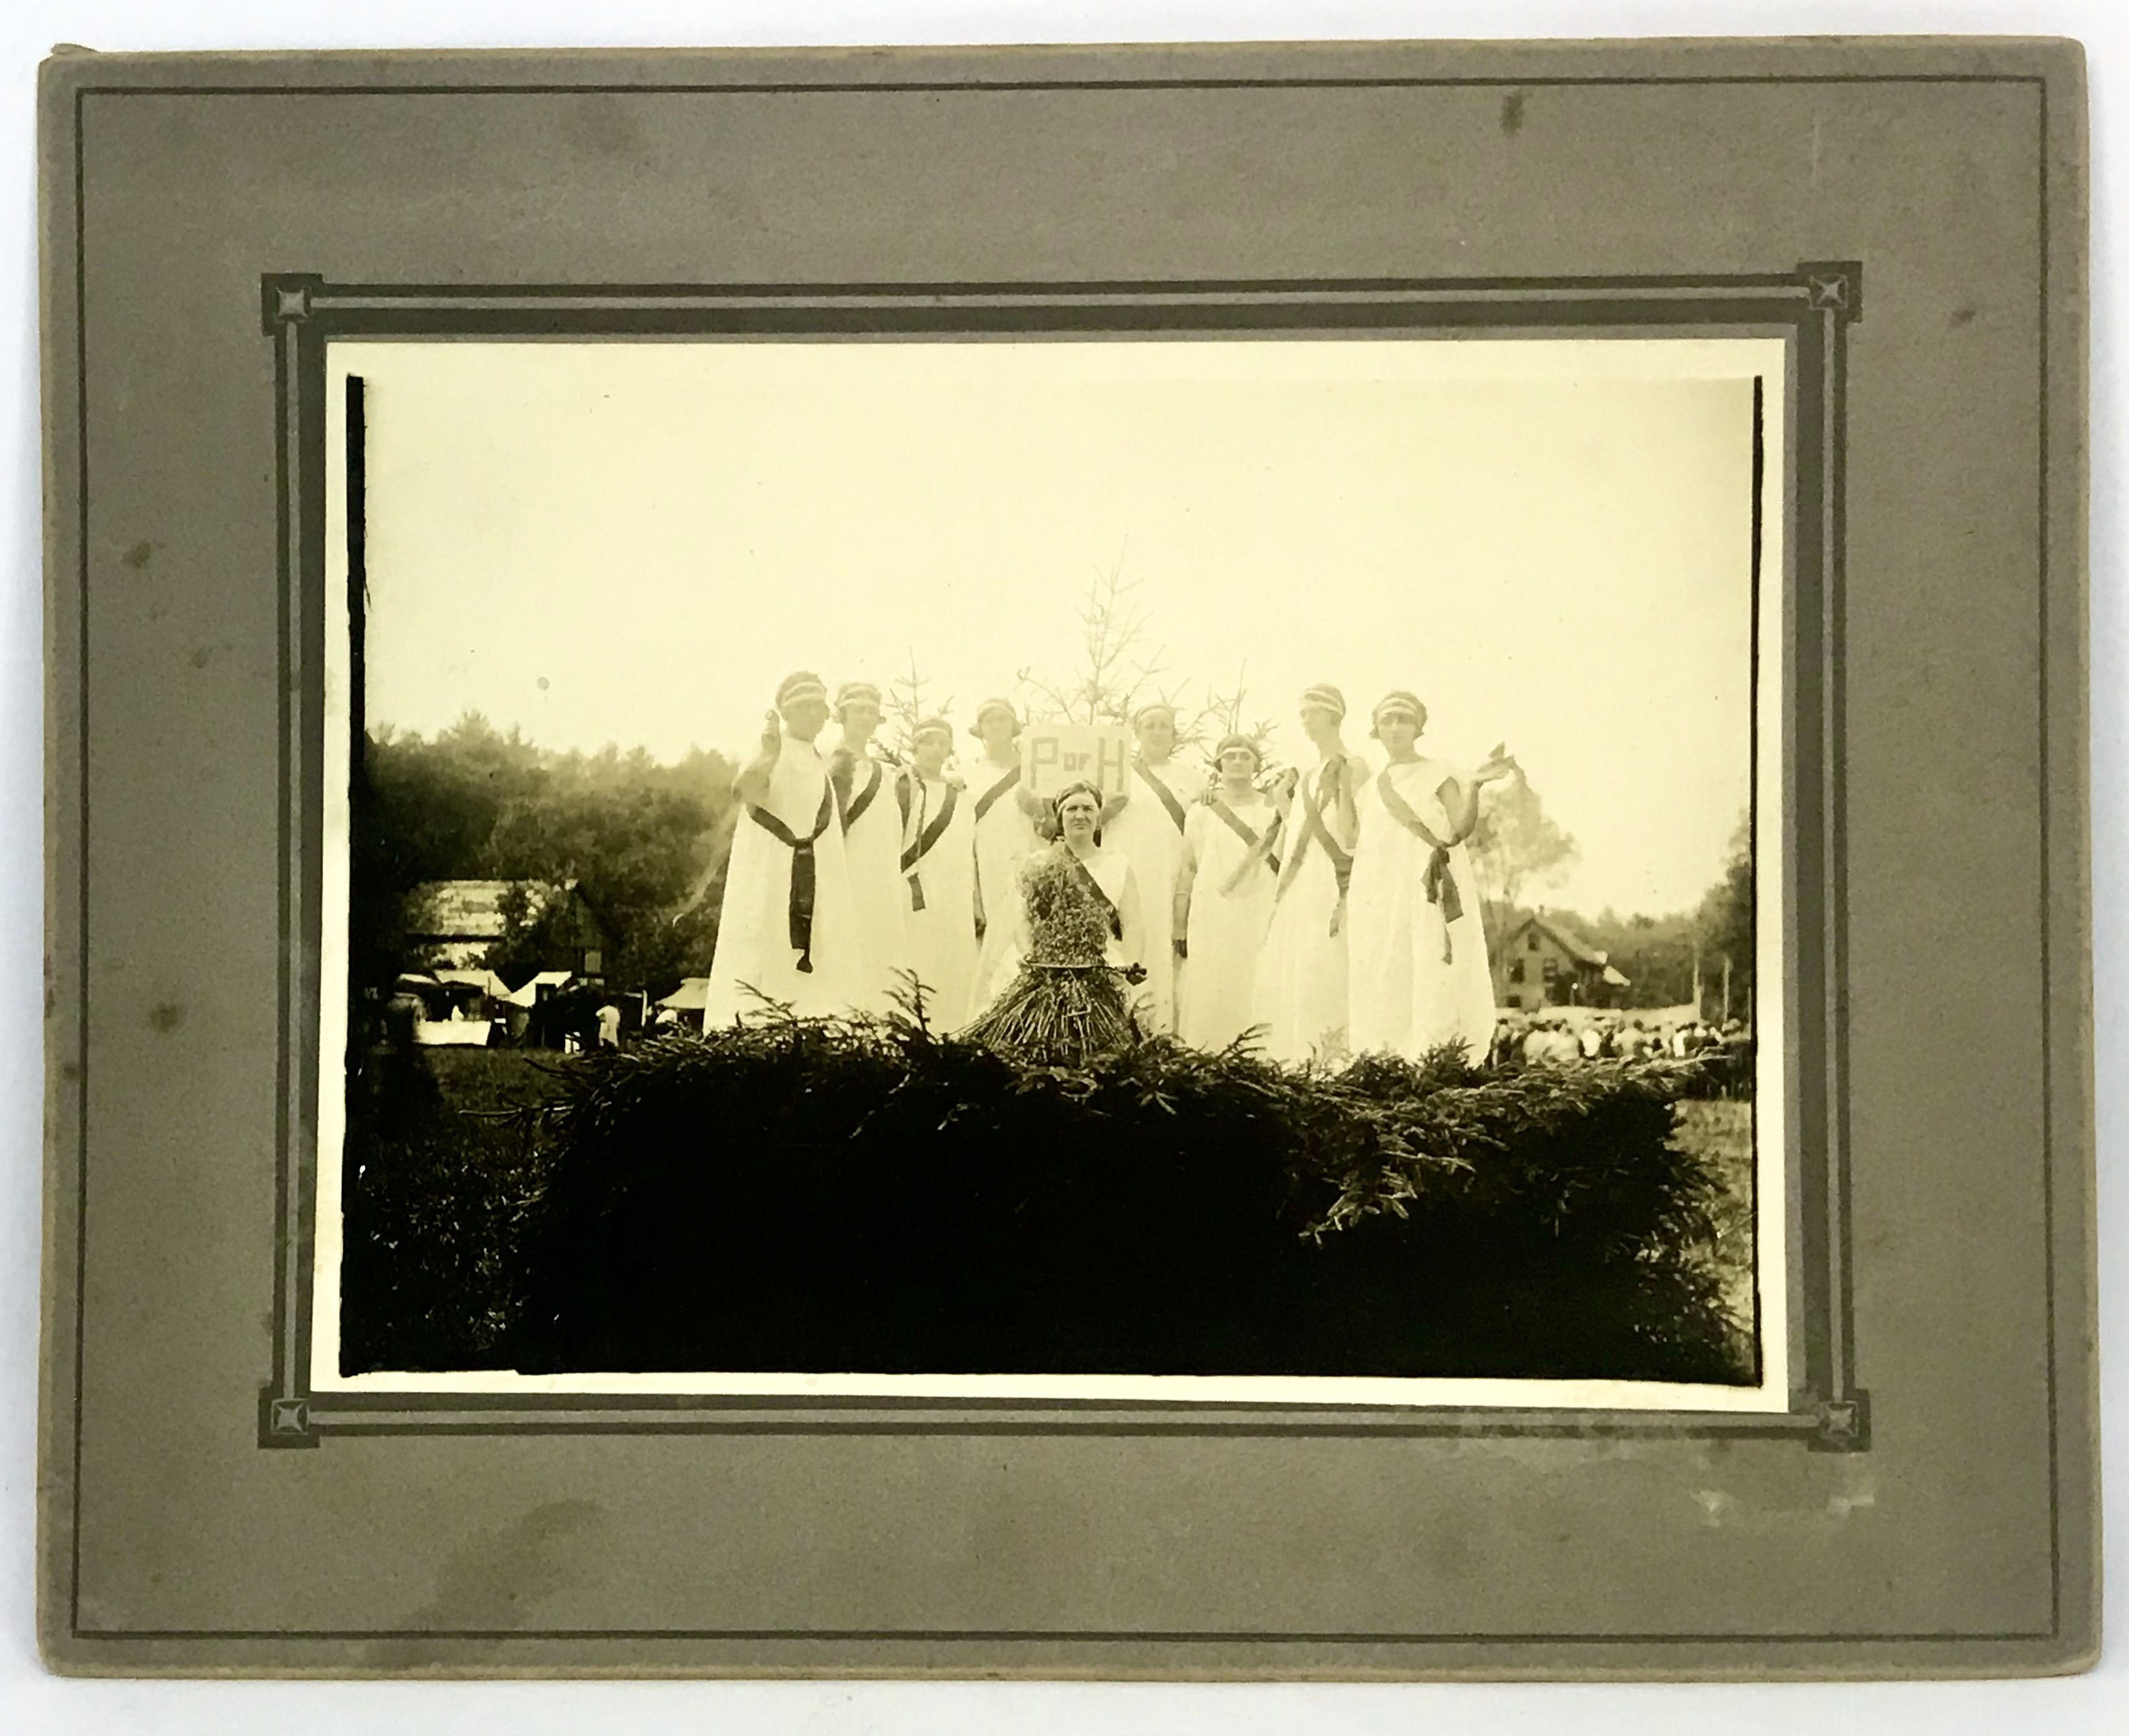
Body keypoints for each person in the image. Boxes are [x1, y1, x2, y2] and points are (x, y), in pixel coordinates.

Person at [1346, 691, 1516, 1063]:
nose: (1395, 728)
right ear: (1376, 729)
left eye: (1404, 720)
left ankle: (1433, 1056)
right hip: (1384, 892)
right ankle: (1386, 1057)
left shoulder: (1438, 772)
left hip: (1428, 885)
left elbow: (1459, 829)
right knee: (1387, 965)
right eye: (1387, 720)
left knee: (1431, 961)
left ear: (1418, 728)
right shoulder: (1371, 789)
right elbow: (1360, 846)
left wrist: (1474, 788)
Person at [703, 671, 862, 1026]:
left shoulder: (819, 759)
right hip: (772, 871)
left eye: (818, 707)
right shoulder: (770, 748)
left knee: (820, 949)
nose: (813, 714)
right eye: (804, 707)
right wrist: (768, 755)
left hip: (815, 875)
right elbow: (744, 792)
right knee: (767, 946)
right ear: (786, 711)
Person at [961, 781, 1148, 1066]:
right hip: (1043, 966)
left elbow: (1132, 923)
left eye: (1088, 808)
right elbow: (1022, 920)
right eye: (1072, 809)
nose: (1080, 815)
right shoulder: (1038, 863)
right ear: (1060, 817)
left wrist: (1130, 965)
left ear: (1099, 817)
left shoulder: (1117, 864)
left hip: (1099, 964)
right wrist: (1035, 959)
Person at [1251, 684, 1368, 1065]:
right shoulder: (1307, 776)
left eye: (1312, 713)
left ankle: (1334, 1059)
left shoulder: (1355, 765)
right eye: (1302, 715)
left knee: (1329, 964)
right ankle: (1300, 1058)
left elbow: (1352, 833)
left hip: (1333, 882)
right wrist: (1282, 801)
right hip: (1302, 882)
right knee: (1300, 966)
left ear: (1334, 715)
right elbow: (1299, 835)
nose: (1305, 722)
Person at [1099, 701, 1209, 1034]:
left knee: (1167, 951)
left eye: (1164, 726)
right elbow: (1085, 821)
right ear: (1137, 733)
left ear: (1174, 734)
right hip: (1126, 876)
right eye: (1150, 726)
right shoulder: (1115, 775)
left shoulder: (1193, 779)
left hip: (1173, 877)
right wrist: (1107, 810)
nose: (1157, 732)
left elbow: (1204, 829)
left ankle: (1163, 1033)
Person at [1172, 733, 1282, 1051]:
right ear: (1219, 764)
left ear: (1256, 765)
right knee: (1210, 979)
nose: (1237, 762)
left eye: (1245, 757)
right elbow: (1189, 867)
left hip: (1258, 905)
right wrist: (1180, 923)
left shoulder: (1271, 808)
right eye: (1230, 756)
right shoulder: (1201, 811)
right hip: (1211, 908)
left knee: (1255, 978)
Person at [827, 680, 911, 1014]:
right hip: (847, 873)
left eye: (871, 712)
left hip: (884, 877)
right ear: (843, 715)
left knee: (883, 948)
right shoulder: (832, 763)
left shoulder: (886, 772)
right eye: (858, 711)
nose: (865, 718)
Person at [963, 697, 1049, 1019]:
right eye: (990, 721)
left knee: (1028, 939)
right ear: (981, 729)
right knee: (992, 947)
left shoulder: (1036, 771)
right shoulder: (969, 775)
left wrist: (1038, 810)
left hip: (1030, 862)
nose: (997, 726)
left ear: (1014, 726)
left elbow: (1057, 827)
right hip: (988, 866)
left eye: (1003, 720)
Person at [895, 715, 979, 1026]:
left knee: (954, 963)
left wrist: (975, 900)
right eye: (928, 742)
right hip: (914, 888)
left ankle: (954, 1031)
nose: (935, 749)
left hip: (955, 892)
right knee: (917, 960)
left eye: (942, 743)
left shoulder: (962, 794)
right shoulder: (902, 784)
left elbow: (969, 849)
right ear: (915, 747)